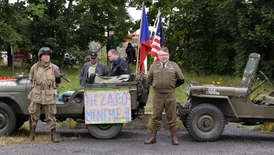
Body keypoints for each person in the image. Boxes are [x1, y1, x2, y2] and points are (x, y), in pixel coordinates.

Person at [144, 47, 185, 145]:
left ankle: (174, 138)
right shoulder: (154, 66)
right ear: (158, 56)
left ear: (168, 56)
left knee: (172, 116)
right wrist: (155, 86)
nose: (164, 57)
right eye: (162, 55)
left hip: (170, 94)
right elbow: (148, 80)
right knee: (156, 116)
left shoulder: (174, 66)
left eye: (166, 55)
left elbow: (181, 79)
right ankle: (153, 137)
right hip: (158, 95)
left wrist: (172, 86)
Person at [27, 47, 61, 143]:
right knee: (33, 114)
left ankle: (53, 135)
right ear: (40, 57)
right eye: (45, 55)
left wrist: (52, 88)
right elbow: (31, 79)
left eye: (48, 55)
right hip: (37, 93)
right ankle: (32, 134)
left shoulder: (54, 68)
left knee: (51, 115)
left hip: (49, 93)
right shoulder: (34, 67)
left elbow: (58, 81)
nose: (47, 57)